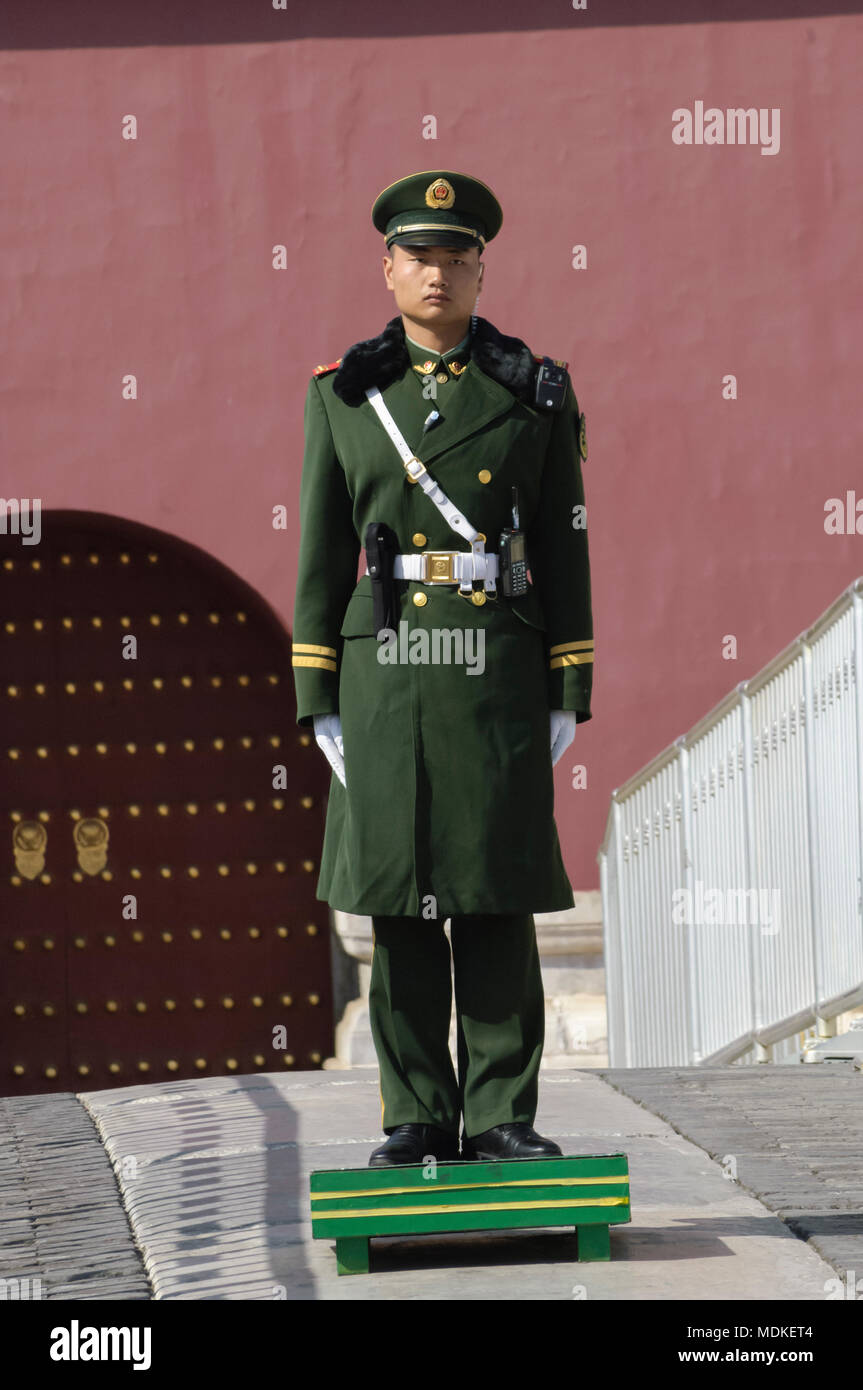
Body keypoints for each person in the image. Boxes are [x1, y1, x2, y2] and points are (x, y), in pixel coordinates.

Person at [291, 170, 593, 1167]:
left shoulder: (531, 393)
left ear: (479, 269)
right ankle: (415, 1112)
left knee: (492, 895)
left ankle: (503, 1111)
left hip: (492, 670)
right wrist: (317, 697)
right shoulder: (342, 397)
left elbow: (562, 544)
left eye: (454, 256)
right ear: (386, 268)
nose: (436, 272)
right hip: (385, 673)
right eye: (417, 255)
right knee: (400, 898)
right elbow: (322, 555)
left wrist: (566, 686)